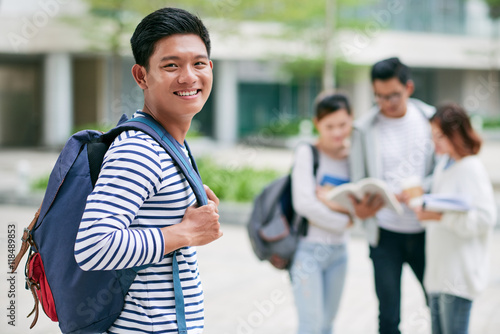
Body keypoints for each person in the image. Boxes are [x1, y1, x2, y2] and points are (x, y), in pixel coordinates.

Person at [74, 7, 223, 334]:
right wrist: (186, 233)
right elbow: (93, 246)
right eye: (171, 66)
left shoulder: (168, 143)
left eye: (198, 63)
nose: (188, 77)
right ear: (141, 76)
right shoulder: (139, 150)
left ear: (210, 68)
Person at [349, 57, 436, 334]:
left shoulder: (431, 121)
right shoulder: (364, 129)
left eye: (393, 96)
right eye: (379, 96)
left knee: (438, 304)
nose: (386, 103)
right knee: (388, 316)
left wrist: (421, 190)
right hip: (385, 234)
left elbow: (445, 172)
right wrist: (360, 207)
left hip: (427, 230)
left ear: (409, 87)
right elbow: (358, 179)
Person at [412, 103, 496, 334]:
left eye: (440, 136)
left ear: (456, 133)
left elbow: (485, 219)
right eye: (433, 136)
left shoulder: (471, 168)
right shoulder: (444, 165)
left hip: (458, 277)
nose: (435, 142)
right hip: (439, 274)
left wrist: (440, 217)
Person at [290, 92, 353, 334]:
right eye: (329, 126)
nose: (337, 132)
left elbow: (360, 204)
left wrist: (332, 203)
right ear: (317, 124)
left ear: (351, 120)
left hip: (340, 253)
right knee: (310, 325)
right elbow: (304, 204)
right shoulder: (308, 152)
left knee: (327, 325)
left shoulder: (353, 157)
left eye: (343, 125)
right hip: (309, 252)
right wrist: (346, 220)